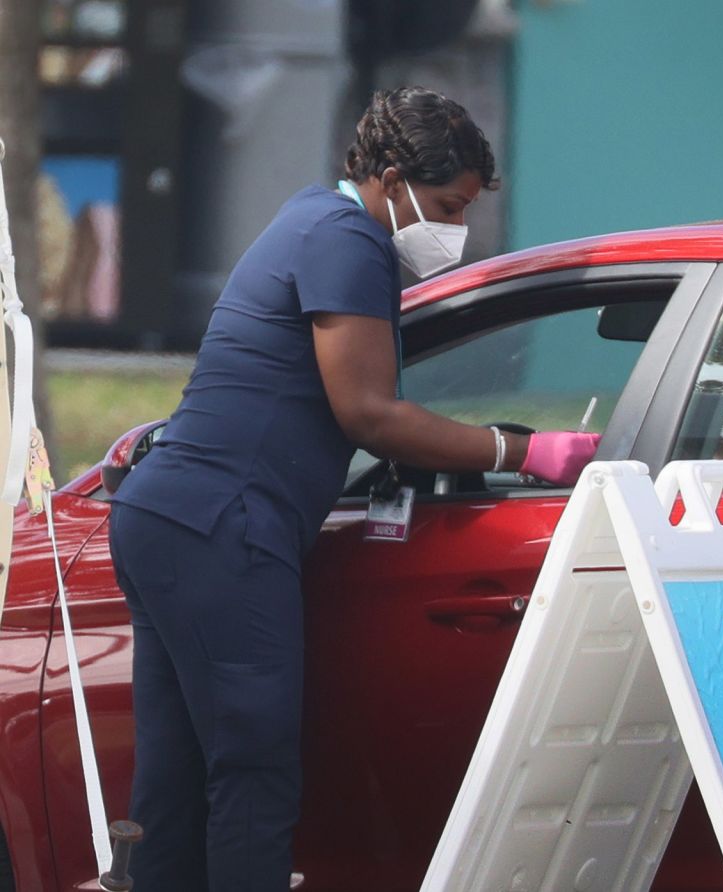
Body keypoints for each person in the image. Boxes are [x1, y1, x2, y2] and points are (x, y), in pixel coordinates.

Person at [107, 87, 599, 891]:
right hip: (223, 525)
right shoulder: (347, 242)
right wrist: (522, 447)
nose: (455, 230)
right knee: (254, 771)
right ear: (393, 177)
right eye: (446, 205)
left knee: (179, 778)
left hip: (170, 515)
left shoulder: (309, 217)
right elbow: (370, 413)